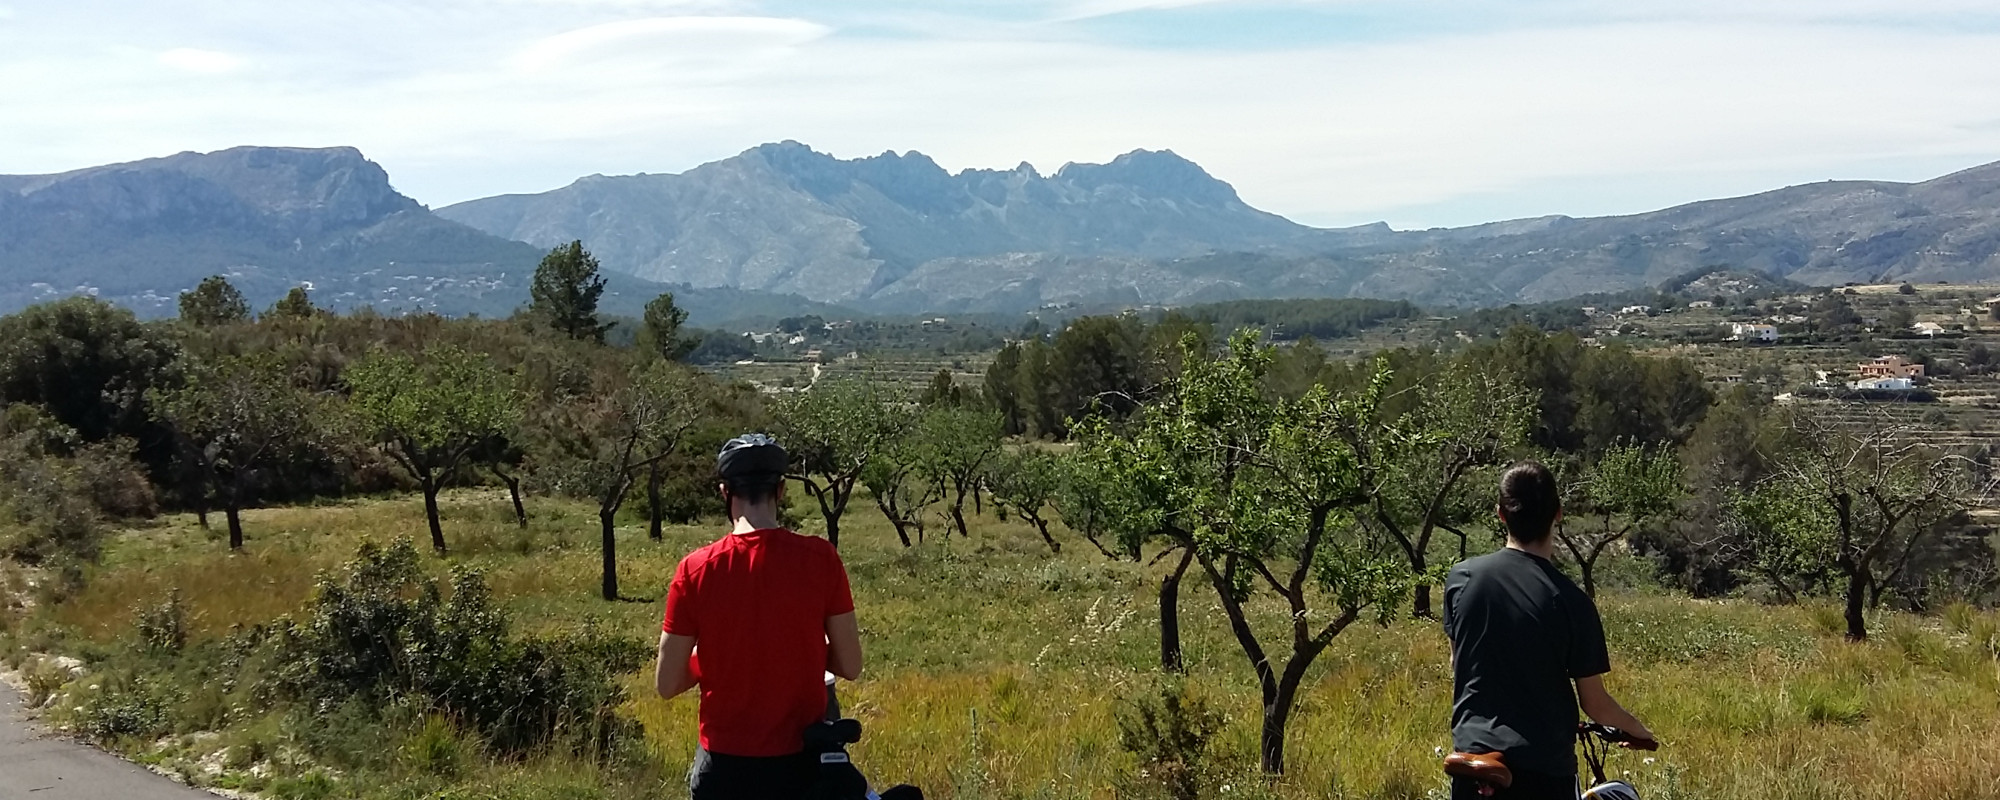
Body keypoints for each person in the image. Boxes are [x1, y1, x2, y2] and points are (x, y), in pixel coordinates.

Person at [656, 434, 865, 800]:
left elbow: (667, 683)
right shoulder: (821, 559)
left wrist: (717, 656)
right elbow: (850, 664)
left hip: (724, 768)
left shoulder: (695, 570)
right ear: (781, 491)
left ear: (724, 492)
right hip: (802, 766)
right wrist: (801, 646)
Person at [1442, 461, 1655, 800]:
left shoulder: (1462, 579)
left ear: (1500, 514)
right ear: (1558, 513)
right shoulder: (1571, 601)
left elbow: (1458, 664)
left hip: (1472, 760)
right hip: (1541, 768)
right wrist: (1638, 729)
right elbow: (1595, 704)